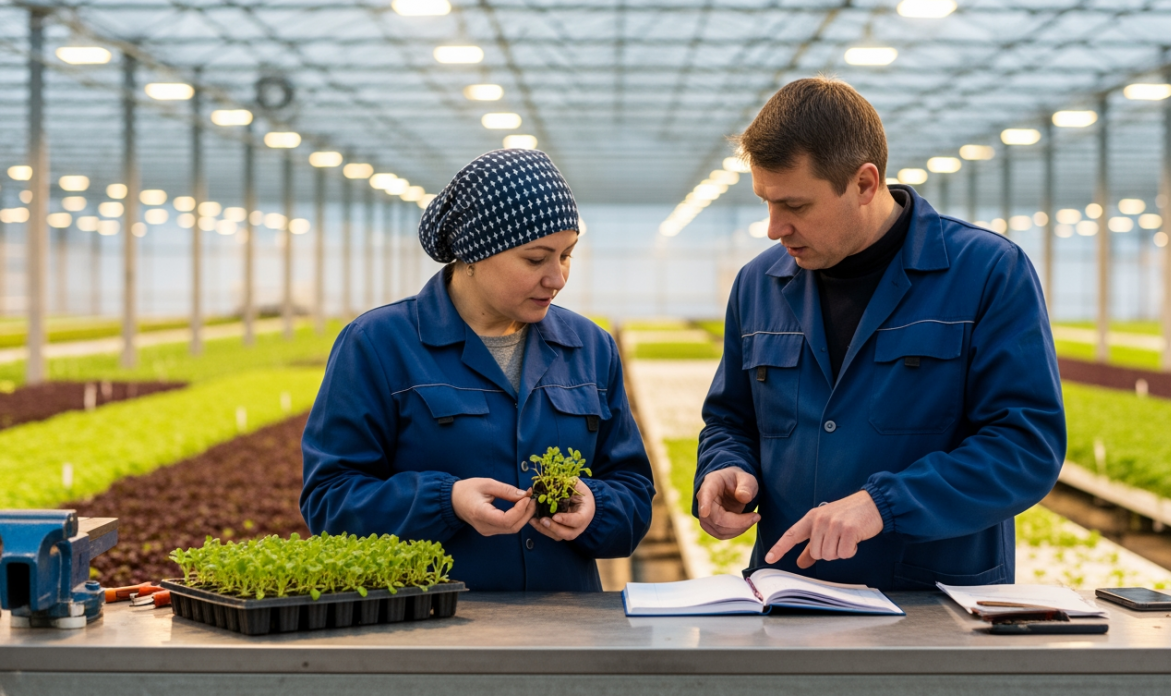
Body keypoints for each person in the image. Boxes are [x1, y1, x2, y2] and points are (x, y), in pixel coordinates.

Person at [693, 77, 1066, 590]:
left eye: (795, 206)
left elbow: (1025, 448)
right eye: (766, 203)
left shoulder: (987, 272)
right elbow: (729, 420)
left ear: (865, 184)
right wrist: (725, 466)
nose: (775, 228)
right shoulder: (759, 284)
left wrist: (884, 504)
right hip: (789, 596)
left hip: (933, 604)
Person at [301, 149, 655, 591]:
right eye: (536, 259)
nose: (558, 278)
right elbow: (329, 500)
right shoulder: (377, 344)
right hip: (432, 622)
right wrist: (446, 502)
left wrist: (596, 508)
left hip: (568, 620)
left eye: (566, 255)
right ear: (473, 254)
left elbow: (633, 492)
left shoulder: (590, 348)